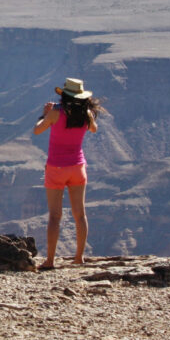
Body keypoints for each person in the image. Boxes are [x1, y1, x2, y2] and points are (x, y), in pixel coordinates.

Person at [33, 78, 105, 269]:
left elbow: (37, 130)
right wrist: (88, 115)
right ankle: (79, 257)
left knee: (55, 217)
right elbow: (94, 129)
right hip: (78, 167)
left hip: (56, 168)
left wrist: (44, 114)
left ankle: (49, 260)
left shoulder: (56, 112)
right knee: (80, 215)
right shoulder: (86, 113)